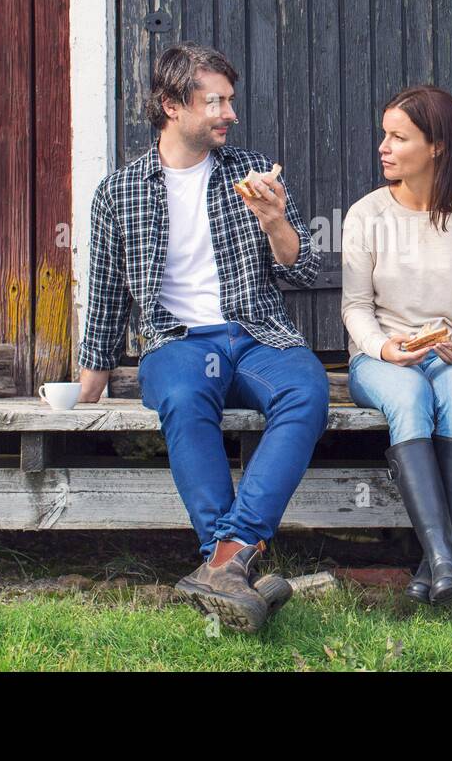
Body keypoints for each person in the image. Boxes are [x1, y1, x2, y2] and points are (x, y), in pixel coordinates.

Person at [76, 42, 328, 633]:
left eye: (230, 101)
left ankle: (221, 562)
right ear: (170, 105)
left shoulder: (252, 173)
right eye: (214, 101)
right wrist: (90, 382)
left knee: (307, 391)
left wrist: (275, 222)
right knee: (186, 398)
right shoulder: (119, 193)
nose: (228, 114)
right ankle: (234, 564)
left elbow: (303, 272)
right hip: (179, 344)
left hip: (257, 336)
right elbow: (108, 291)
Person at [340, 85, 452, 604]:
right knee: (409, 397)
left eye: (398, 137)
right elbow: (355, 308)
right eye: (383, 135)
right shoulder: (367, 215)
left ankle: (434, 566)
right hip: (381, 358)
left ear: (436, 147)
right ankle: (445, 563)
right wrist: (385, 350)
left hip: (451, 354)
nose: (383, 147)